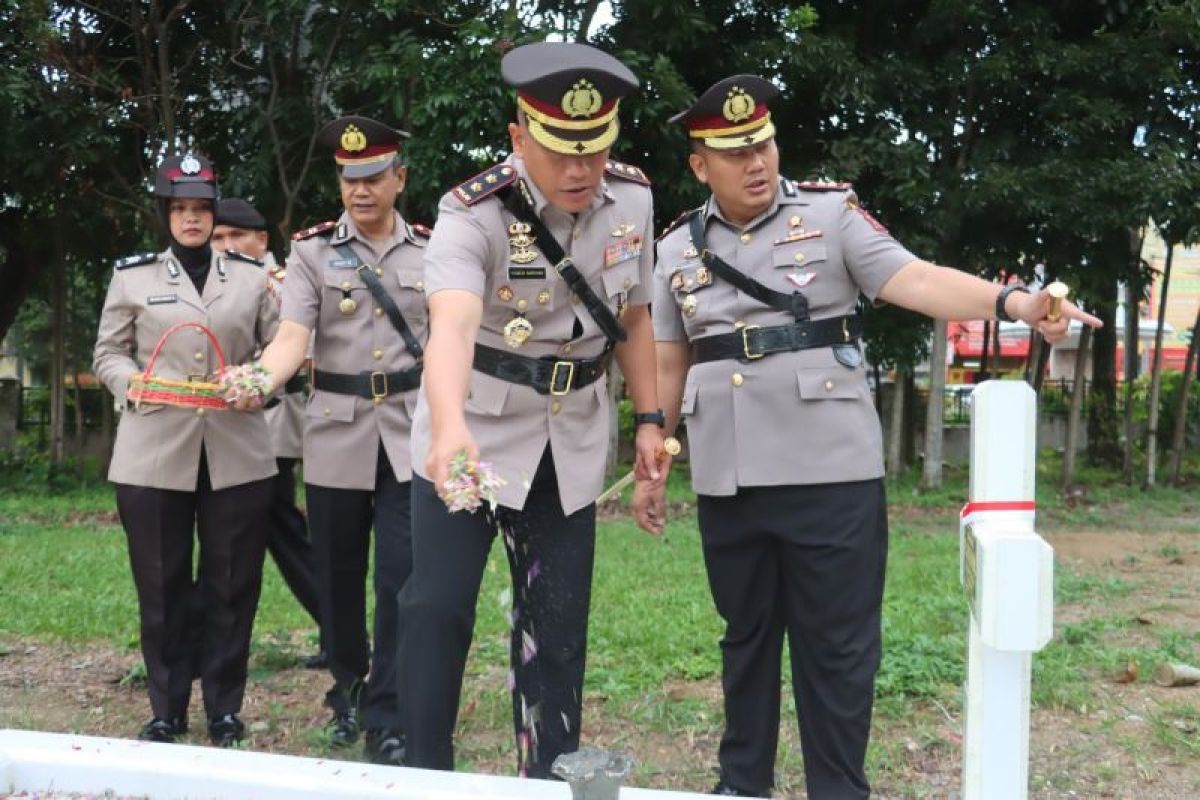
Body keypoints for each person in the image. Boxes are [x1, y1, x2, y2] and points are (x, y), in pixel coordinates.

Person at [634, 75, 1103, 799]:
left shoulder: (830, 217)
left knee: (838, 650)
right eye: (733, 153)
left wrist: (1014, 301)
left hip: (830, 473)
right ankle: (740, 785)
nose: (756, 162)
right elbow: (671, 357)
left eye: (762, 143)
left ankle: (838, 788)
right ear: (700, 166)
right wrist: (654, 442)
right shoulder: (675, 250)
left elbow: (915, 281)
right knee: (746, 640)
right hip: (729, 478)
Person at [398, 41, 666, 778]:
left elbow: (636, 318)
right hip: (474, 428)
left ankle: (551, 779)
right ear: (519, 138)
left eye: (595, 149)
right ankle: (422, 774)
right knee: (437, 608)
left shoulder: (634, 198)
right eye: (560, 152)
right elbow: (451, 323)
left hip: (570, 437)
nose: (580, 170)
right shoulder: (471, 212)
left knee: (556, 628)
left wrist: (650, 422)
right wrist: (448, 424)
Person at [237, 117, 425, 766]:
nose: (361, 190)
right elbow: (292, 340)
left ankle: (389, 713)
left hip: (410, 431)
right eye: (350, 179)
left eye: (374, 177)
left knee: (402, 578)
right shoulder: (313, 253)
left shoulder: (435, 251)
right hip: (337, 432)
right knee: (338, 576)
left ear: (399, 179)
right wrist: (258, 379)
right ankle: (347, 688)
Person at [93, 154, 279, 747]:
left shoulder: (251, 277)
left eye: (202, 209)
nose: (193, 219)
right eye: (181, 209)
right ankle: (166, 708)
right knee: (162, 581)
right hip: (154, 447)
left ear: (214, 212)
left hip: (237, 448)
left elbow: (281, 351)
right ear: (166, 216)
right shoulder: (134, 278)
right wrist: (131, 383)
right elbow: (108, 353)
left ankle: (225, 707)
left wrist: (258, 381)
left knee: (231, 582)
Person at [211, 198, 326, 668]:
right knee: (253, 531)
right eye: (218, 238)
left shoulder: (280, 284)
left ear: (262, 241)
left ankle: (338, 628)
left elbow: (304, 354)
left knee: (278, 528)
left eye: (237, 236)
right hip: (220, 425)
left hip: (272, 422)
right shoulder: (214, 285)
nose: (227, 246)